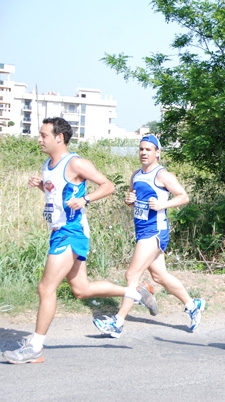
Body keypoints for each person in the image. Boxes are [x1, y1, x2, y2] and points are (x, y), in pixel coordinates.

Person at [2, 118, 157, 364]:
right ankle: (136, 292)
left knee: (46, 288)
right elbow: (59, 194)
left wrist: (86, 200)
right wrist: (42, 186)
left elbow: (107, 186)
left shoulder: (75, 163)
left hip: (71, 232)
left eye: (44, 135)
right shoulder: (48, 164)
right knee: (81, 289)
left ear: (59, 138)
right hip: (59, 231)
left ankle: (35, 346)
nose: (39, 139)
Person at [94, 135, 205, 338]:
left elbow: (184, 196)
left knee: (131, 275)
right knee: (159, 276)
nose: (144, 153)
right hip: (142, 231)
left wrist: (163, 205)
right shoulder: (136, 175)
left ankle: (117, 323)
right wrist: (130, 200)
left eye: (148, 150)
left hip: (155, 231)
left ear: (157, 153)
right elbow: (133, 199)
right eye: (141, 149)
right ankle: (193, 305)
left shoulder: (163, 175)